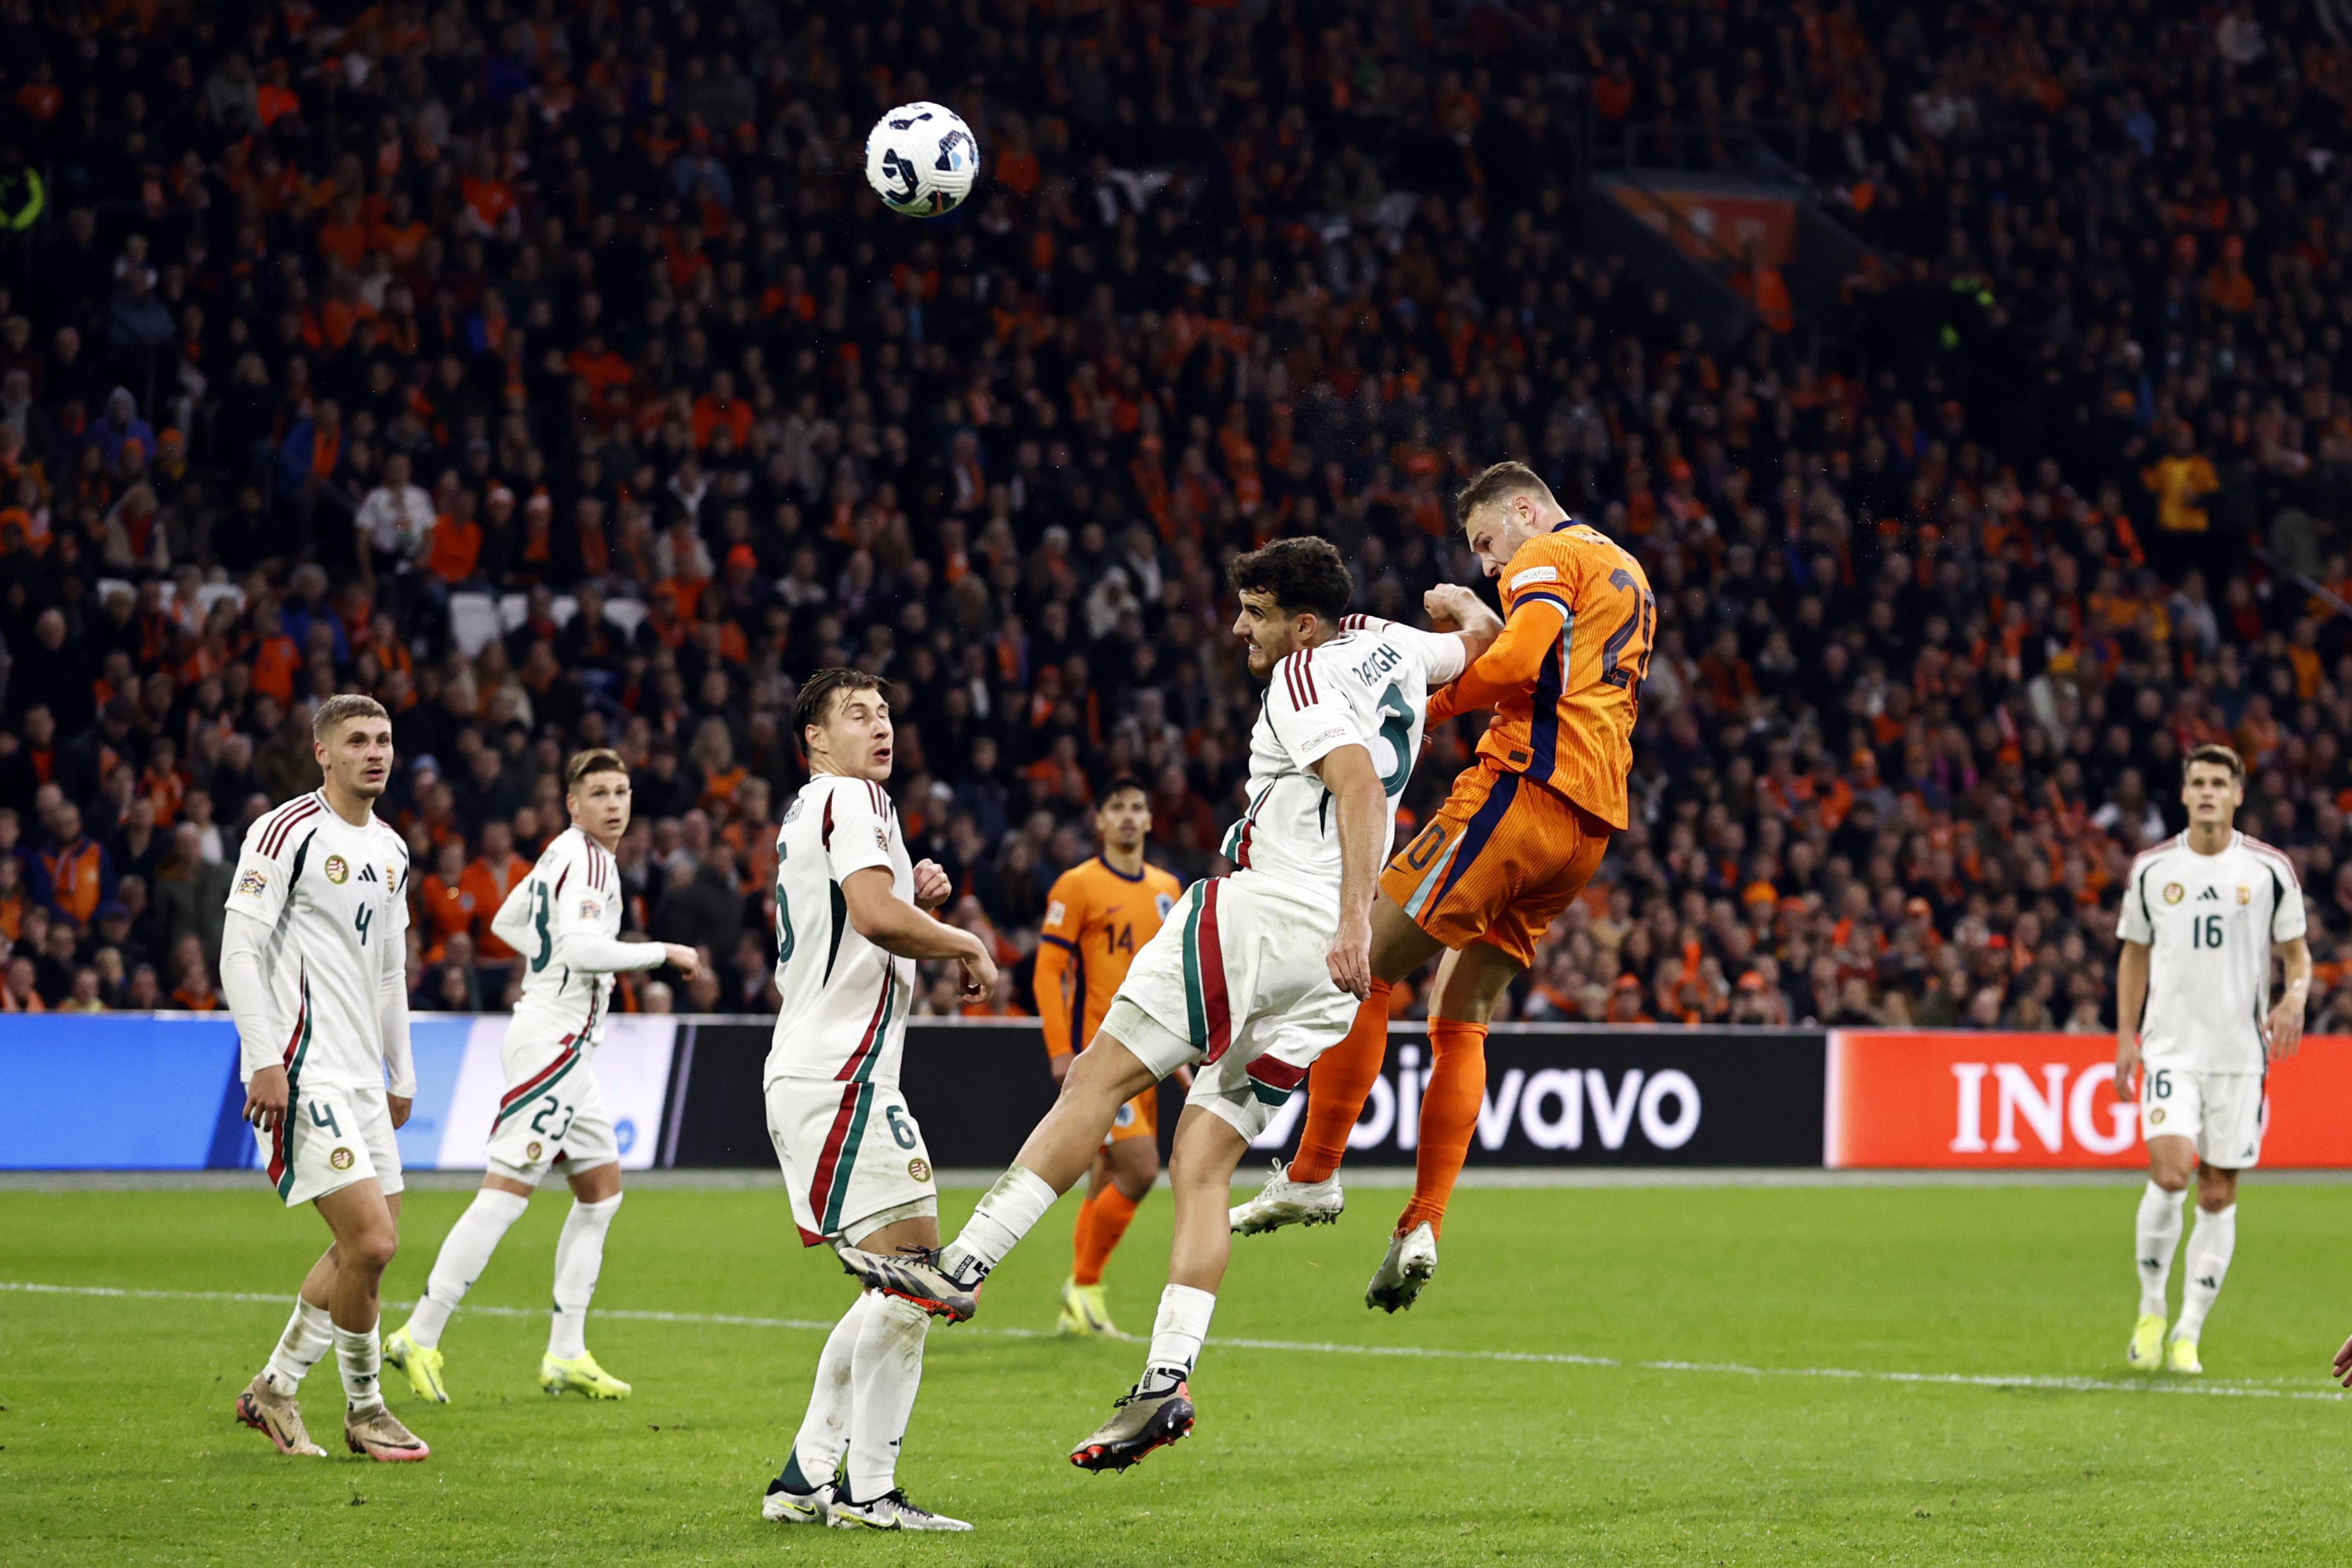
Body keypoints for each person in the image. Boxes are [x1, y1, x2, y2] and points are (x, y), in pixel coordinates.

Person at [840, 538, 1492, 1471]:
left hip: (1265, 916)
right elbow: (1481, 635)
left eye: (1254, 611)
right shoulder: (1393, 648)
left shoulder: (1305, 673)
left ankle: (959, 1268)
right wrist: (1459, 605)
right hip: (1324, 981)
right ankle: (1165, 1379)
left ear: (1301, 623)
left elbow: (1351, 781)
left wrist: (1357, 918)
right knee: (1201, 1161)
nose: (1237, 628)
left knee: (1095, 1086)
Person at [1231, 460, 1652, 1312]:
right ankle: (1420, 1223)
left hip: (1521, 791)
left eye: (1487, 542)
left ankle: (1312, 1172)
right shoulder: (1628, 570)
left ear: (1525, 511)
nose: (1490, 564)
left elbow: (1523, 655)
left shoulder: (1547, 555)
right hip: (1590, 828)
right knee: (1461, 1011)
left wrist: (1430, 704)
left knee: (1365, 966)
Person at [383, 749, 700, 1403]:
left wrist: (553, 955)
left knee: (601, 1193)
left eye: (622, 790)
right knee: (503, 1197)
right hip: (551, 1046)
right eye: (600, 793)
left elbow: (506, 923)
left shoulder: (563, 854)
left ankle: (566, 1352)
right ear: (574, 804)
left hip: (569, 1051)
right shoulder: (584, 858)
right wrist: (660, 952)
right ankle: (420, 1331)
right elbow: (583, 948)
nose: (614, 803)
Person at [758, 668, 997, 1532]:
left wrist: (913, 895)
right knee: (919, 1277)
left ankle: (805, 1475)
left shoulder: (829, 808)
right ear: (816, 738)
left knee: (892, 1286)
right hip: (842, 1074)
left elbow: (868, 910)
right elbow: (870, 915)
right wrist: (960, 934)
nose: (880, 725)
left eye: (886, 710)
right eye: (855, 714)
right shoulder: (848, 799)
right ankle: (870, 1491)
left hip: (825, 1070)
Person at [222, 694, 428, 1462]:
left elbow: (389, 972)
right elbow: (239, 950)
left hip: (361, 1078)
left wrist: (399, 1072)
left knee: (367, 1249)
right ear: (323, 752)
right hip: (304, 1069)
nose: (375, 752)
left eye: (383, 739)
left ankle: (273, 1389)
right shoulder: (286, 832)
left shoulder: (394, 849)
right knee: (369, 1241)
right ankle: (367, 1408)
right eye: (357, 740)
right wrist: (265, 1057)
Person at [2115, 743, 2309, 1375]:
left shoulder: (2268, 869)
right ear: (2184, 793)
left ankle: (2189, 1331)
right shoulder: (2152, 869)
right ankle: (2150, 1307)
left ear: (2237, 794)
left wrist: (2294, 999)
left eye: (2217, 783)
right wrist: (2126, 1035)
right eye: (2196, 781)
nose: (2205, 792)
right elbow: (2134, 953)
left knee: (2219, 1190)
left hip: (2239, 1055)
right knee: (2172, 1173)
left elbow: (2297, 954)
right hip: (2171, 1047)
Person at [1034, 777, 1184, 1336]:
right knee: (1142, 1169)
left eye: (1137, 806)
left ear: (1149, 820)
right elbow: (1049, 971)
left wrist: (1186, 1053)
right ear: (1099, 822)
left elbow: (1175, 979)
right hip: (1101, 1058)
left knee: (1104, 1175)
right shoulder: (1077, 886)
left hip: (1152, 1056)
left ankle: (1080, 1306)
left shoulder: (1169, 888)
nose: (1127, 816)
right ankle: (1086, 1286)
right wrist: (1060, 1049)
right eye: (1116, 807)